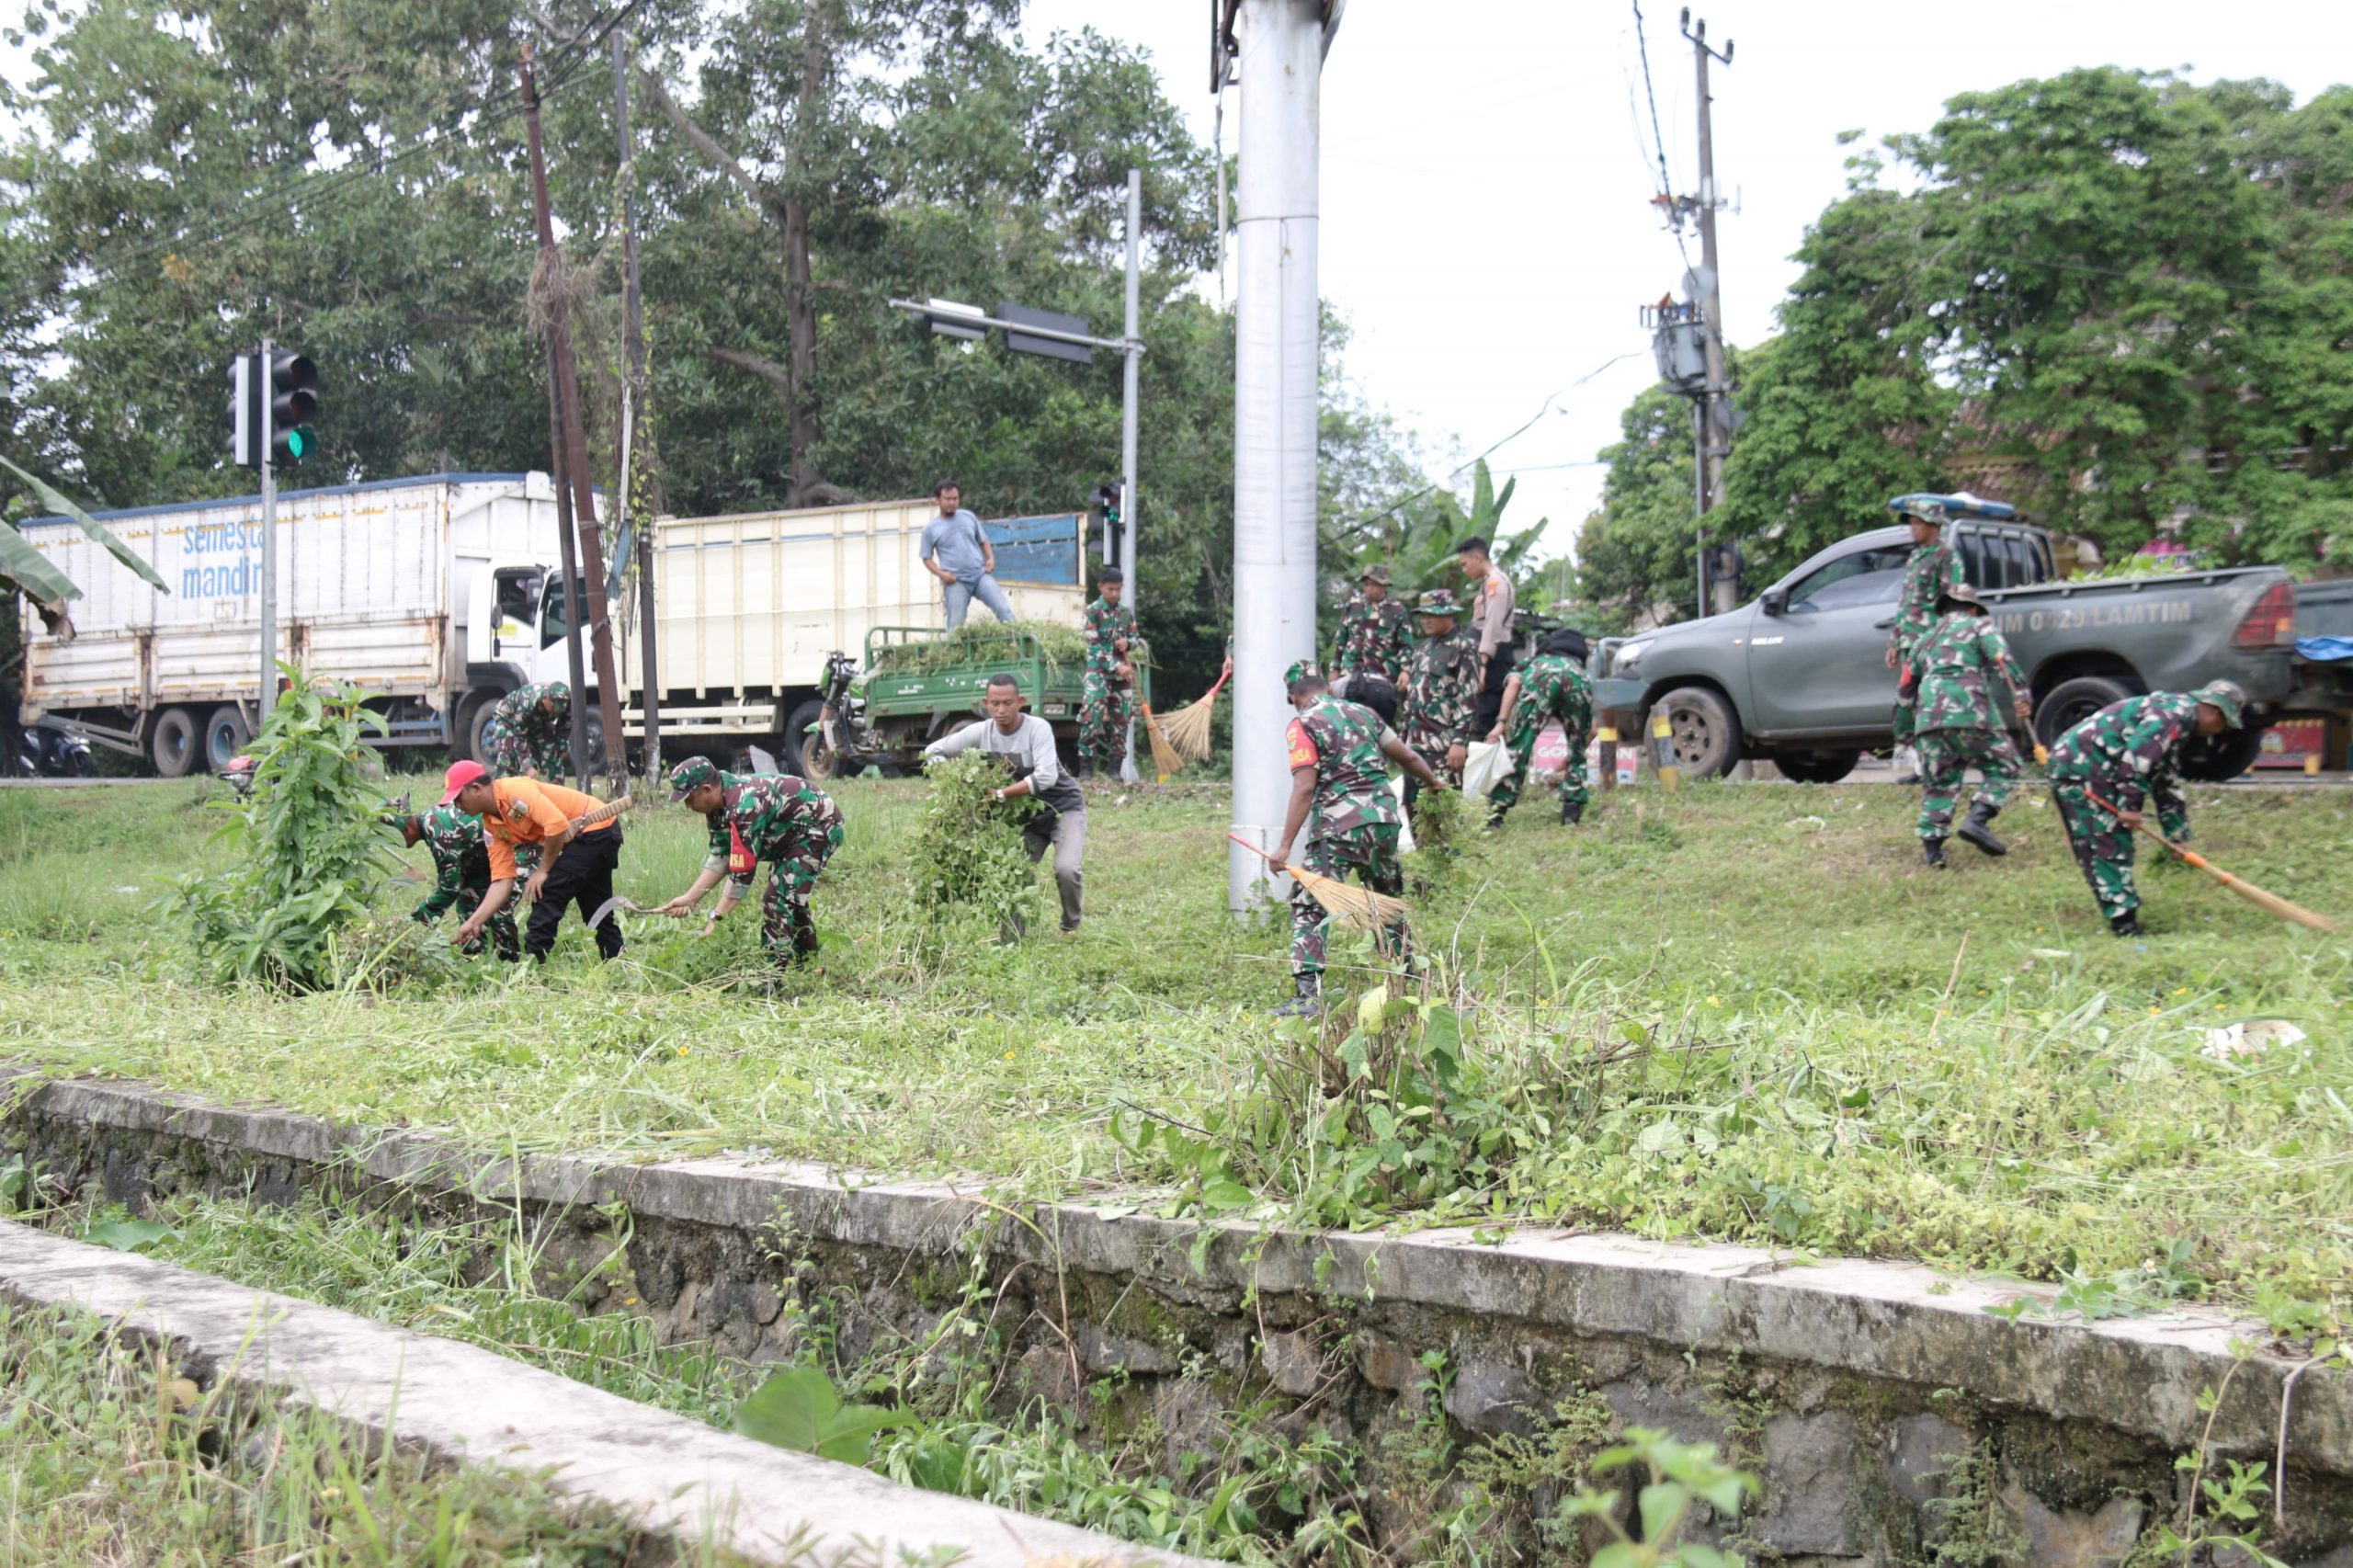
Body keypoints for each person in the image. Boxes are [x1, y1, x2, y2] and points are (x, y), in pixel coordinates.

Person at [1273, 662, 1447, 1017]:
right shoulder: (1364, 713)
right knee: (1385, 903)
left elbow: (1305, 787)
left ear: (1292, 697)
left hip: (1338, 828)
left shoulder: (1302, 724)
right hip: (1384, 823)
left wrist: (1285, 846)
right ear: (1326, 685)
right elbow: (1407, 756)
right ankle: (1408, 980)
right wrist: (1433, 783)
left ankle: (1308, 998)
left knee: (1310, 905)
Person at [2045, 681, 2247, 937]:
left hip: (2099, 769)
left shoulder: (2180, 717)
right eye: (2224, 725)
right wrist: (2131, 807)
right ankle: (2124, 924)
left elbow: (2165, 779)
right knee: (2106, 844)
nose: (2219, 732)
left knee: (2111, 842)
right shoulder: (2172, 716)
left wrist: (2178, 835)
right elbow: (2136, 760)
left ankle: (2123, 914)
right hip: (2081, 768)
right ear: (2216, 713)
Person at [923, 672, 1086, 934]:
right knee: (1014, 872)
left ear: (1020, 702)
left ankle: (1070, 926)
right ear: (985, 704)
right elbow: (933, 751)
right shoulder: (981, 732)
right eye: (995, 704)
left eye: (1008, 703)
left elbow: (1046, 776)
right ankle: (1012, 938)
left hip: (1062, 808)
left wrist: (999, 795)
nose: (1001, 710)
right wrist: (954, 779)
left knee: (1067, 869)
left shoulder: (1037, 728)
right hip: (1025, 818)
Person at [656, 756, 845, 967]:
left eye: (689, 799)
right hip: (790, 833)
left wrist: (716, 918)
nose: (688, 806)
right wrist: (690, 898)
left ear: (707, 790)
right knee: (789, 893)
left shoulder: (744, 806)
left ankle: (773, 974)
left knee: (777, 900)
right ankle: (808, 961)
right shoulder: (717, 809)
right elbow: (721, 856)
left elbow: (741, 875)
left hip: (818, 827)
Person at [442, 759, 625, 962]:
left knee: (547, 892)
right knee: (596, 907)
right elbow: (503, 880)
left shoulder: (514, 790)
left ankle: (532, 966)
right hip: (595, 835)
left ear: (476, 788)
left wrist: (543, 870)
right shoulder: (492, 825)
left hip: (595, 828)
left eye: (458, 798)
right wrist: (475, 921)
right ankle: (617, 960)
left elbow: (556, 824)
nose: (457, 806)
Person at [1904, 583, 2032, 867]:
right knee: (2006, 765)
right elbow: (2002, 660)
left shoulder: (1923, 640)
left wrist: (1904, 732)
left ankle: (1933, 853)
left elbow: (1905, 689)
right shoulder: (1980, 626)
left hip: (1928, 719)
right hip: (1970, 712)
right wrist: (2022, 696)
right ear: (1973, 609)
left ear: (1942, 611)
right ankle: (1977, 819)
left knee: (1939, 781)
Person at [1483, 627, 1595, 828]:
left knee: (1519, 746)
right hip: (1577, 681)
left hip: (1541, 677)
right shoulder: (1579, 669)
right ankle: (1571, 814)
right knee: (1577, 747)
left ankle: (1496, 815)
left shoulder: (1532, 661)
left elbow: (1513, 684)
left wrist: (1501, 723)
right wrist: (1573, 754)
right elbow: (1592, 731)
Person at [1884, 496, 1966, 766]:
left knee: (1931, 701)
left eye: (1918, 522)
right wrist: (1894, 641)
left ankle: (1937, 761)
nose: (1913, 527)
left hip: (1932, 642)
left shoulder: (1946, 557)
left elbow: (1952, 602)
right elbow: (1905, 603)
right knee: (1908, 699)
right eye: (1911, 522)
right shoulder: (1916, 557)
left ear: (1934, 525)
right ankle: (1916, 757)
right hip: (1910, 642)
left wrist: (1947, 640)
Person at [402, 806, 519, 960]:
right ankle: (473, 959)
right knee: (468, 901)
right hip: (481, 858)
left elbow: (449, 888)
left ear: (407, 830)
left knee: (498, 908)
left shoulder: (439, 834)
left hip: (513, 846)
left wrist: (412, 921)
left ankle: (509, 961)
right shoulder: (429, 817)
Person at [1399, 588, 1481, 796]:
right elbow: (1413, 697)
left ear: (1448, 616)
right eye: (1424, 616)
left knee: (1441, 806)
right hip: (1414, 746)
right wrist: (1402, 740)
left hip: (1442, 745)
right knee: (1412, 806)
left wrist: (1459, 741)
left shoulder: (1463, 648)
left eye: (1432, 615)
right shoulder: (1423, 649)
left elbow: (1468, 697)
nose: (1426, 621)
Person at [1079, 566, 1146, 779]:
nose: (1115, 593)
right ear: (1100, 587)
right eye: (1110, 589)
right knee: (1092, 717)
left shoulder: (1125, 611)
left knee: (1122, 719)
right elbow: (1094, 646)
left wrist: (1129, 643)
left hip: (1121, 676)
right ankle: (1086, 767)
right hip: (1098, 673)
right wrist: (1116, 665)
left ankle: (1115, 769)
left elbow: (1135, 637)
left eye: (1118, 589)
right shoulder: (1092, 611)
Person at [918, 481, 1014, 630]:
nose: (952, 502)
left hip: (980, 575)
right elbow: (926, 558)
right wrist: (942, 574)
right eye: (948, 499)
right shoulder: (930, 529)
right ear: (938, 500)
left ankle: (1022, 639)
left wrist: (990, 558)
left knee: (1003, 610)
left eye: (955, 499)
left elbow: (983, 540)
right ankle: (952, 645)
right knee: (956, 626)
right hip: (956, 581)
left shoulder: (968, 516)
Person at [1457, 537, 1518, 737]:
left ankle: (1487, 757)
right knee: (1478, 714)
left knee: (1486, 717)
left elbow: (1492, 625)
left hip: (1493, 659)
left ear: (1477, 557)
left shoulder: (1495, 583)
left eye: (1465, 564)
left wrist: (1482, 664)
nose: (1464, 570)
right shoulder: (1488, 582)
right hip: (1487, 656)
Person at [1333, 563, 1412, 687]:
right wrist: (1335, 668)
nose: (1369, 588)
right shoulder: (1353, 606)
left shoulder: (1397, 610)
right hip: (1350, 672)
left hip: (1382, 675)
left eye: (1374, 585)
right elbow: (1341, 640)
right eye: (1367, 584)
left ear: (1384, 586)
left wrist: (1405, 671)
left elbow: (1405, 645)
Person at [483, 681, 573, 784]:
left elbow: (565, 725)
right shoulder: (527, 703)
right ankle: (501, 787)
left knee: (553, 754)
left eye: (559, 711)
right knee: (508, 756)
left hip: (539, 721)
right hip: (509, 719)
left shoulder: (566, 703)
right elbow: (520, 736)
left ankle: (556, 788)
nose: (555, 713)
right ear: (545, 699)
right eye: (553, 710)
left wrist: (562, 746)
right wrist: (527, 766)